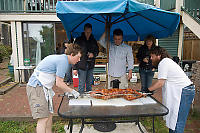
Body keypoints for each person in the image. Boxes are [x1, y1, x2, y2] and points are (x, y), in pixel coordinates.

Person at [26, 43, 82, 133]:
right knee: (43, 118)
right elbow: (59, 83)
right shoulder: (63, 61)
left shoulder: (63, 59)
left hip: (44, 88)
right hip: (36, 87)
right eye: (78, 57)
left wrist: (67, 91)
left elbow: (59, 82)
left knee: (49, 115)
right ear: (72, 55)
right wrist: (72, 91)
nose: (79, 60)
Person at [148, 46, 195, 133]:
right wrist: (151, 90)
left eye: (152, 56)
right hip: (183, 91)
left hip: (184, 91)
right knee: (173, 119)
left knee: (177, 122)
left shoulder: (163, 62)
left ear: (158, 56)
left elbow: (160, 83)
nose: (151, 59)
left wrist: (147, 90)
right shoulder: (166, 62)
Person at [73, 23, 99, 94]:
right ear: (84, 31)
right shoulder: (78, 40)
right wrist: (74, 68)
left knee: (89, 84)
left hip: (90, 65)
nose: (88, 34)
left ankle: (89, 100)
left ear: (91, 31)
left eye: (89, 32)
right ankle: (80, 101)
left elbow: (97, 51)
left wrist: (93, 54)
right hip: (81, 65)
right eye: (87, 32)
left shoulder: (93, 40)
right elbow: (74, 54)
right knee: (81, 85)